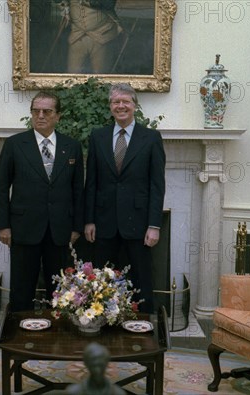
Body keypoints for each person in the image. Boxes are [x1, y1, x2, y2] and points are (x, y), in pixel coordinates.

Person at [0, 91, 85, 312]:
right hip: (23, 230)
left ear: (58, 116)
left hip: (60, 231)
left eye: (47, 111)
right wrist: (3, 226)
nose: (40, 115)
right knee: (22, 290)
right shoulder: (15, 145)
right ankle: (19, 338)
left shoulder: (71, 146)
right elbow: (1, 188)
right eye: (36, 111)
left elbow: (78, 190)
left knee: (61, 289)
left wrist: (76, 226)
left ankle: (58, 336)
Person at [84, 83, 166, 314]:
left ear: (134, 106)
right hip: (103, 223)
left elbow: (157, 185)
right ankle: (102, 321)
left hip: (139, 224)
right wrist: (89, 220)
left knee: (141, 278)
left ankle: (145, 327)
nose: (121, 106)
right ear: (110, 107)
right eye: (116, 102)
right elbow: (91, 182)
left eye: (125, 102)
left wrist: (154, 225)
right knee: (102, 280)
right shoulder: (97, 137)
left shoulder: (150, 138)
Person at [60, 0, 122, 74]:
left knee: (101, 74)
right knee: (73, 73)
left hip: (102, 34)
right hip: (77, 35)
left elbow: (109, 4)